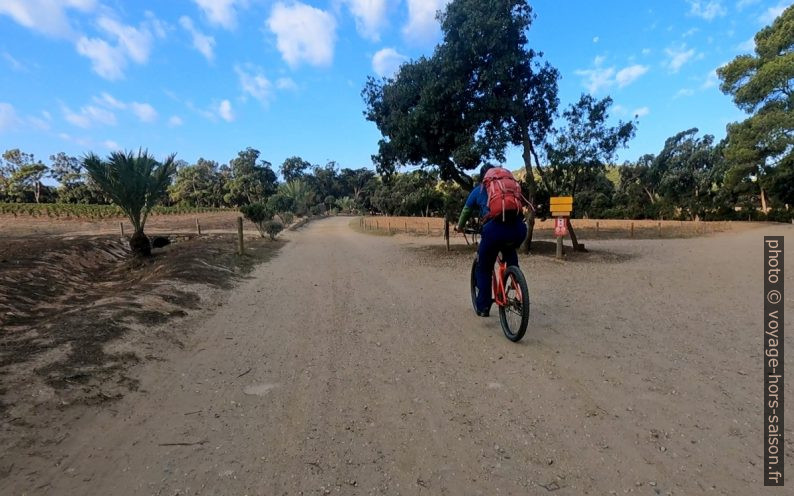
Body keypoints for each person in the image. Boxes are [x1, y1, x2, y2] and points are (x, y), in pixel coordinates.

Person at [455, 164, 528, 317]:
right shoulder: (508, 187)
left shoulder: (480, 189)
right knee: (510, 253)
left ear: (484, 177)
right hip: (518, 229)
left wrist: (460, 227)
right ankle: (517, 287)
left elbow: (466, 210)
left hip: (494, 230)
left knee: (484, 268)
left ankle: (483, 307)